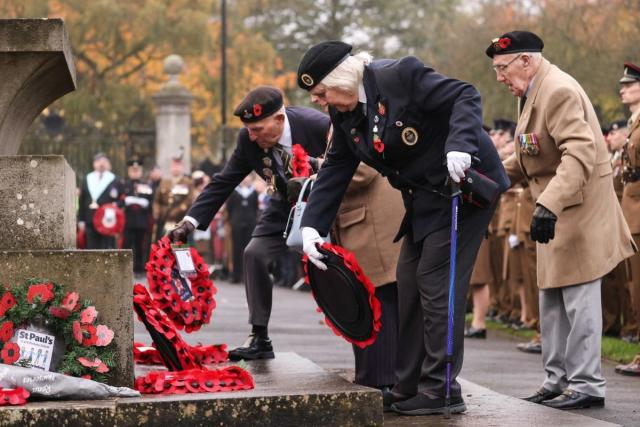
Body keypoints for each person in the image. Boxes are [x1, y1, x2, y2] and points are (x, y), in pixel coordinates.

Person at [297, 41, 509, 416]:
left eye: (321, 92)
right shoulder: (345, 115)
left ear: (340, 78)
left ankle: (442, 389)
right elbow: (335, 169)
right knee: (408, 281)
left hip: (463, 187)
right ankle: (409, 385)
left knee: (435, 284)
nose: (319, 101)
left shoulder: (399, 75)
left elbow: (465, 94)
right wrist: (312, 226)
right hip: (423, 198)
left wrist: (459, 143)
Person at [487, 30, 635, 409]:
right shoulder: (532, 92)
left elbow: (580, 152)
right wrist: (486, 179)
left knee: (579, 302)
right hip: (557, 210)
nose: (500, 77)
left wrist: (548, 205)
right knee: (551, 299)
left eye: (503, 68)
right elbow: (527, 156)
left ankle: (587, 384)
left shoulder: (558, 90)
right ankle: (558, 379)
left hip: (577, 211)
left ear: (526, 60)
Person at [167, 86, 330, 360]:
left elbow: (348, 165)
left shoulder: (317, 126)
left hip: (327, 203)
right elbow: (223, 181)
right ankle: (259, 336)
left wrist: (315, 172)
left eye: (257, 128)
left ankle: (363, 335)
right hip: (284, 205)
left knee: (341, 267)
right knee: (254, 253)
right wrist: (189, 222)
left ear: (279, 119)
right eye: (249, 130)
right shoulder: (248, 140)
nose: (251, 136)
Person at [615, 62, 640, 376]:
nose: (622, 89)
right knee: (635, 285)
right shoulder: (634, 123)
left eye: (628, 84)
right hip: (631, 211)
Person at [78, 152, 122, 249]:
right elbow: (82, 200)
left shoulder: (114, 179)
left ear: (108, 164)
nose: (101, 163)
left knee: (106, 248)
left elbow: (121, 199)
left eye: (104, 161)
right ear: (94, 163)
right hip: (90, 219)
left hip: (107, 220)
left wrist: (114, 206)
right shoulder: (87, 178)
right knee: (91, 248)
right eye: (98, 161)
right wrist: (81, 219)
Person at [121, 157, 154, 276]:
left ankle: (140, 268)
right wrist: (126, 201)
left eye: (137, 170)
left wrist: (145, 203)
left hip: (141, 220)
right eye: (132, 170)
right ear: (129, 171)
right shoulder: (124, 184)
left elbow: (151, 200)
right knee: (127, 245)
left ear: (140, 171)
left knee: (140, 245)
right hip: (128, 220)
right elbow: (119, 201)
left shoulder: (146, 185)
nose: (135, 172)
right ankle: (125, 268)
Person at [152, 154, 195, 243]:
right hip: (164, 220)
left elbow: (189, 200)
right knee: (162, 247)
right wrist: (157, 212)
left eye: (178, 165)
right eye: (174, 165)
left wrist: (175, 212)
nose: (176, 168)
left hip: (181, 222)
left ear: (182, 167)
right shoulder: (164, 182)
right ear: (170, 167)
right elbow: (157, 200)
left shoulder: (188, 182)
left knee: (182, 248)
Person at [226, 175, 259, 283]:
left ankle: (249, 276)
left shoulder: (253, 192)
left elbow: (255, 207)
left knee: (249, 249)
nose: (245, 179)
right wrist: (233, 219)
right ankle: (236, 275)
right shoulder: (234, 192)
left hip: (250, 223)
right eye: (244, 177)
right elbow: (229, 208)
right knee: (236, 249)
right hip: (237, 222)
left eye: (248, 177)